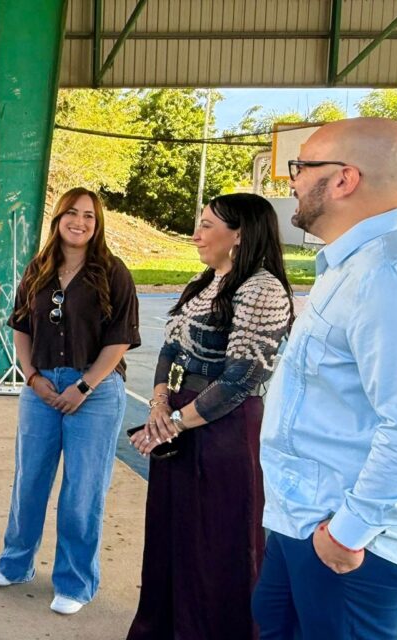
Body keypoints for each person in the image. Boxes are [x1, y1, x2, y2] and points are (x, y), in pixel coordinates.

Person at [252, 118, 397, 640]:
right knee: (272, 623)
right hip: (306, 515)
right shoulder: (353, 264)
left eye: (301, 167)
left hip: (346, 536)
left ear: (345, 179)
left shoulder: (389, 276)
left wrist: (349, 531)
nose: (292, 180)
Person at [126, 193, 294, 639]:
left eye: (206, 225)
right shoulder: (204, 282)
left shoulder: (262, 288)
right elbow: (168, 350)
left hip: (225, 430)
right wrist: (160, 405)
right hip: (182, 422)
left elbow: (241, 380)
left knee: (218, 542)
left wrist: (174, 425)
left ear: (238, 234)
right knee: (172, 534)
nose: (196, 234)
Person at [0, 187, 140, 615]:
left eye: (90, 216)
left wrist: (84, 387)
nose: (81, 222)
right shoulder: (38, 269)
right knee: (29, 479)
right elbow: (21, 326)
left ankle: (75, 582)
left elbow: (120, 339)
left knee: (82, 490)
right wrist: (31, 377)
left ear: (98, 223)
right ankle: (16, 563)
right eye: (72, 213)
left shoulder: (113, 272)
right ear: (57, 219)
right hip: (41, 388)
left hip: (94, 390)